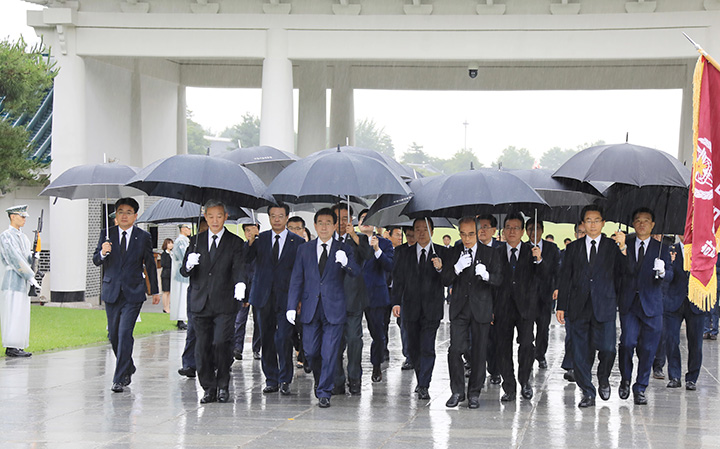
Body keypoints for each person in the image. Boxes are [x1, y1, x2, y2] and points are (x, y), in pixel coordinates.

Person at [286, 208, 360, 408]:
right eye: (321, 222)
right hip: (310, 308)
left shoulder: (342, 248)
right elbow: (296, 278)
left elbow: (356, 272)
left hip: (334, 308)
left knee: (330, 352)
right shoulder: (305, 249)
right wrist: (291, 305)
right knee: (310, 351)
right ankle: (321, 381)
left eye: (329, 222)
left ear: (335, 225)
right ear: (315, 225)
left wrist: (346, 263)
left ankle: (324, 391)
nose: (324, 226)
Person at [556, 205, 625, 408]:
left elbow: (623, 273)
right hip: (578, 307)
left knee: (608, 349)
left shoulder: (612, 247)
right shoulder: (573, 248)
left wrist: (622, 249)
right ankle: (588, 392)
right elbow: (565, 278)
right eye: (588, 220)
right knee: (580, 353)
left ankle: (603, 378)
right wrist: (561, 306)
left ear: (603, 223)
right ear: (582, 224)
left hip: (604, 305)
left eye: (596, 220)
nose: (592, 224)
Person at [180, 200, 246, 404]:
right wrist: (189, 265)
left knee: (221, 343)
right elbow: (183, 271)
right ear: (205, 217)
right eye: (211, 216)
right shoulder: (196, 241)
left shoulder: (235, 242)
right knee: (202, 347)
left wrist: (241, 284)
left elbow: (239, 267)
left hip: (224, 302)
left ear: (225, 217)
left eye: (219, 216)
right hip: (200, 302)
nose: (215, 220)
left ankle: (223, 385)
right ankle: (208, 387)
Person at [92, 198, 160, 392]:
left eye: (128, 212)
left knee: (124, 333)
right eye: (120, 211)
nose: (124, 215)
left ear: (135, 216)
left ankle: (120, 377)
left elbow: (150, 264)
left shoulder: (143, 237)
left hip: (134, 292)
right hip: (112, 291)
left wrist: (154, 290)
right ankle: (128, 365)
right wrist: (103, 253)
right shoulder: (106, 234)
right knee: (113, 335)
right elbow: (96, 260)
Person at [442, 217, 502, 408]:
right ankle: (457, 391)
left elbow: (499, 279)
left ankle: (474, 393)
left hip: (481, 308)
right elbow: (444, 279)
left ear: (478, 233)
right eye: (463, 234)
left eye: (470, 234)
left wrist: (486, 276)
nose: (466, 238)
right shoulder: (455, 251)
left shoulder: (491, 253)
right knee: (455, 349)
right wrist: (456, 268)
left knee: (479, 352)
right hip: (460, 308)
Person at [616, 207, 673, 405]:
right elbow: (619, 271)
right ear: (633, 223)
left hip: (652, 305)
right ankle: (625, 378)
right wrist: (622, 249)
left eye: (646, 220)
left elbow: (671, 275)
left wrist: (664, 271)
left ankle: (640, 387)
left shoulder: (662, 248)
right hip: (630, 303)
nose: (642, 224)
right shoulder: (626, 244)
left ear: (653, 224)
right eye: (638, 220)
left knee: (648, 349)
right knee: (627, 343)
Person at [246, 204, 303, 395]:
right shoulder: (259, 239)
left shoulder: (298, 242)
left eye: (280, 216)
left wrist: (299, 299)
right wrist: (250, 241)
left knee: (284, 338)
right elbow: (246, 260)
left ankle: (285, 378)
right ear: (268, 218)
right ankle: (271, 378)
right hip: (263, 296)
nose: (276, 219)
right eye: (272, 216)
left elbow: (300, 272)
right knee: (267, 338)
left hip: (287, 297)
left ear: (287, 217)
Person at [392, 218, 447, 400]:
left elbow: (448, 279)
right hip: (411, 307)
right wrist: (396, 302)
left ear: (432, 231)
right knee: (413, 348)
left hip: (431, 309)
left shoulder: (441, 252)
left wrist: (440, 269)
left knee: (427, 347)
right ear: (413, 232)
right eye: (418, 229)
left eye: (425, 229)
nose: (421, 232)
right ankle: (419, 377)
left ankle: (424, 384)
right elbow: (398, 280)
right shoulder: (403, 253)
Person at [494, 213, 545, 402]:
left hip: (525, 308)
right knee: (503, 348)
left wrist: (539, 260)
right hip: (502, 308)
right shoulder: (496, 253)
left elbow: (544, 278)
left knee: (526, 346)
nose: (512, 231)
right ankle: (509, 386)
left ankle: (525, 381)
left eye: (516, 228)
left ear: (523, 231)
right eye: (508, 227)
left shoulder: (532, 251)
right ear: (503, 230)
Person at [331, 203, 373, 395]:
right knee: (336, 343)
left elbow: (367, 256)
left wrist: (354, 236)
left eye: (346, 219)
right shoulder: (327, 240)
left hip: (354, 298)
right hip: (332, 301)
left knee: (355, 340)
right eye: (338, 219)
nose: (342, 223)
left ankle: (355, 378)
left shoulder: (360, 239)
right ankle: (337, 380)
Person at [357, 209, 394, 383]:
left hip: (376, 295)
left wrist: (377, 250)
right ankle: (353, 371)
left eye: (370, 219)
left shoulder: (385, 243)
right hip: (354, 295)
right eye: (363, 219)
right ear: (357, 223)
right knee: (351, 335)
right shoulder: (351, 242)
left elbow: (390, 266)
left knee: (378, 334)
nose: (366, 221)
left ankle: (377, 365)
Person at [0, 205, 41, 358]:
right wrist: (30, 276)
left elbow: (26, 258)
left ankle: (18, 345)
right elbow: (14, 258)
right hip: (12, 281)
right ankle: (11, 346)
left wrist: (34, 255)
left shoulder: (23, 237)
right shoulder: (6, 236)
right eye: (22, 216)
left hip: (22, 282)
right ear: (12, 216)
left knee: (21, 313)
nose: (24, 219)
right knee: (13, 312)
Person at [664, 236, 704, 391]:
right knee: (671, 340)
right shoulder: (669, 250)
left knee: (696, 343)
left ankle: (692, 378)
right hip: (674, 301)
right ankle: (674, 376)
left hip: (696, 301)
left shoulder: (703, 250)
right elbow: (667, 274)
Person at [526, 218, 561, 370]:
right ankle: (528, 353)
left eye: (537, 229)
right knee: (526, 330)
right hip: (526, 296)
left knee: (543, 328)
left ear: (542, 230)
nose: (534, 232)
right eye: (530, 229)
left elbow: (556, 271)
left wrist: (540, 259)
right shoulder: (521, 247)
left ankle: (540, 355)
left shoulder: (552, 248)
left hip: (544, 295)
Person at [178, 218, 208, 380]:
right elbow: (184, 271)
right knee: (193, 330)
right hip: (196, 292)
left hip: (216, 294)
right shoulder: (194, 244)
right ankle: (189, 364)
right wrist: (190, 264)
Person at [476, 214, 502, 385]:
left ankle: (494, 370)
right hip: (473, 301)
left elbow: (502, 277)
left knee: (493, 340)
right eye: (479, 226)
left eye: (486, 226)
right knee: (473, 341)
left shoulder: (500, 249)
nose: (482, 230)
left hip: (496, 299)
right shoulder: (466, 246)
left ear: (494, 230)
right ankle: (475, 367)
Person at [234, 223, 261, 361]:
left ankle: (256, 348)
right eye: (247, 231)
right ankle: (237, 347)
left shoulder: (262, 246)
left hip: (258, 288)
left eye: (252, 230)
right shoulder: (241, 247)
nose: (250, 233)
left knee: (258, 320)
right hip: (244, 287)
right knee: (240, 319)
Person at [170, 225, 191, 330]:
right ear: (182, 228)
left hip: (183, 274)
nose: (189, 230)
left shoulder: (185, 240)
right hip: (181, 274)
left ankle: (183, 318)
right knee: (182, 296)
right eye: (188, 228)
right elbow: (184, 256)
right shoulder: (180, 241)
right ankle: (181, 319)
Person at [160, 238, 173, 314]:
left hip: (171, 274)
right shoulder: (164, 254)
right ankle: (165, 307)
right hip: (166, 274)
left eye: (171, 243)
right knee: (166, 291)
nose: (171, 245)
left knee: (169, 292)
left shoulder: (172, 253)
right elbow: (163, 264)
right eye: (169, 243)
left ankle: (168, 307)